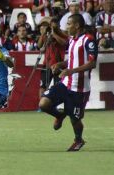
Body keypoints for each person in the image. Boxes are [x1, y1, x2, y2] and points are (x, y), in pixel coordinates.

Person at [39, 14, 97, 151]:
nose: (67, 27)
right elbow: (72, 60)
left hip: (80, 88)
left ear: (77, 25)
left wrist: (71, 71)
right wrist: (60, 64)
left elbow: (92, 63)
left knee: (75, 118)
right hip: (66, 83)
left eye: (69, 24)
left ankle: (78, 140)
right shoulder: (72, 40)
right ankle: (59, 115)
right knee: (43, 104)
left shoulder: (88, 40)